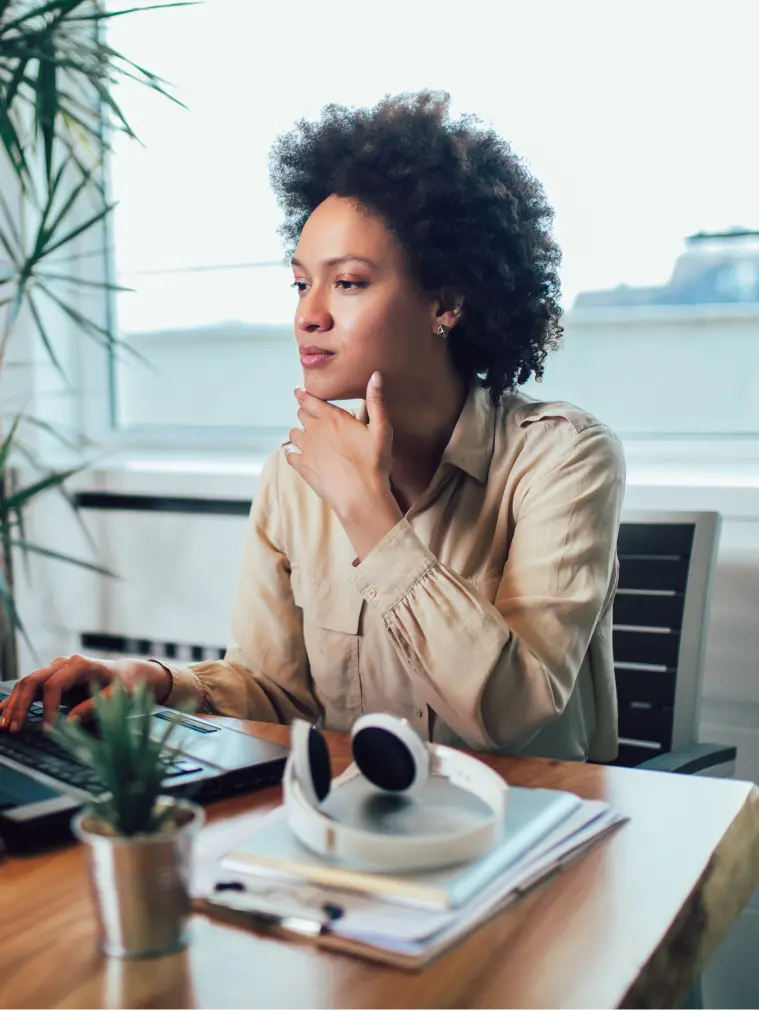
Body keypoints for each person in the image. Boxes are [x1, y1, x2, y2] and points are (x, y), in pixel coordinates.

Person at [0, 91, 625, 761]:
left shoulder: (563, 456)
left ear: (444, 302)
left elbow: (513, 711)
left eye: (348, 282)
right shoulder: (294, 473)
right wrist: (154, 683)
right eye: (301, 285)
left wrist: (367, 510)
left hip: (530, 826)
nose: (308, 315)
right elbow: (276, 692)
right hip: (356, 830)